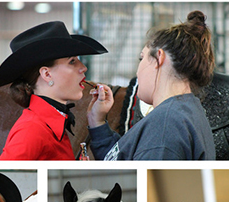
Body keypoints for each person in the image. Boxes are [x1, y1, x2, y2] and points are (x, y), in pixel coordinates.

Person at [87, 11, 215, 160]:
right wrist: (97, 122)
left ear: (159, 58)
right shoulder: (181, 113)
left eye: (142, 58)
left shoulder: (166, 124)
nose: (138, 70)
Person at [0, 21, 107, 160]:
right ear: (47, 74)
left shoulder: (45, 125)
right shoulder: (32, 130)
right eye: (72, 61)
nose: (83, 67)